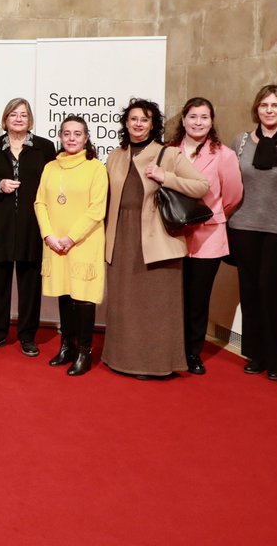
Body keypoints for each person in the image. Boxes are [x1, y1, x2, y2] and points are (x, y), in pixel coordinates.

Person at [102, 99, 209, 379]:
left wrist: (166, 177)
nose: (138, 124)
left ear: (153, 125)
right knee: (124, 303)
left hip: (157, 240)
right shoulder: (115, 155)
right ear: (126, 123)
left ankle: (154, 364)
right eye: (133, 118)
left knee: (155, 306)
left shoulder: (168, 155)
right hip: (121, 237)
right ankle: (120, 358)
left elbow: (201, 186)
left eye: (145, 119)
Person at [227, 84, 277, 380]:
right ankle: (255, 354)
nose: (269, 110)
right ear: (256, 109)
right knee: (250, 292)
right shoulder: (241, 141)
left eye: (275, 105)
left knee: (275, 293)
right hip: (243, 226)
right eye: (264, 105)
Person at [0, 97, 56, 355]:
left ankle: (27, 335)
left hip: (32, 225)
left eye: (24, 115)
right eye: (13, 115)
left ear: (30, 120)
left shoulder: (45, 148)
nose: (18, 119)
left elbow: (53, 185)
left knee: (30, 284)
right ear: (5, 119)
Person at [166, 98, 245, 374]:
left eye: (204, 117)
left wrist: (209, 215)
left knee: (198, 298)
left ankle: (192, 352)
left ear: (212, 121)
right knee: (173, 295)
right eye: (193, 117)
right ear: (183, 120)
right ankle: (171, 348)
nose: (198, 122)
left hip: (208, 236)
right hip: (172, 233)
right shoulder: (169, 151)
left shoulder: (224, 155)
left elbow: (233, 195)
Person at [33, 116, 108, 375]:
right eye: (67, 133)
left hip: (83, 242)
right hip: (55, 243)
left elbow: (97, 209)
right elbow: (40, 203)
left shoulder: (96, 167)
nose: (72, 138)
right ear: (61, 137)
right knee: (65, 294)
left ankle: (84, 352)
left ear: (86, 138)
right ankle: (67, 346)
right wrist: (49, 235)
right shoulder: (51, 167)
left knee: (83, 297)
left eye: (77, 134)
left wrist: (70, 238)